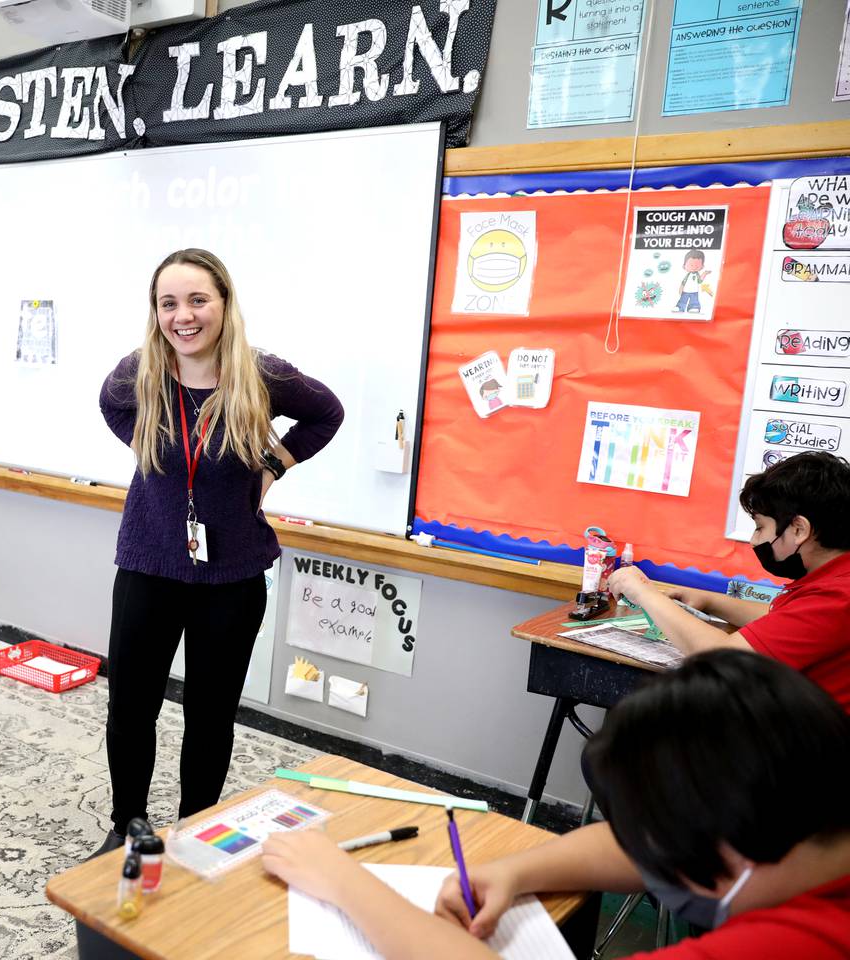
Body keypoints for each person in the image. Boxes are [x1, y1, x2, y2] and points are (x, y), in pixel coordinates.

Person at [262, 650, 850, 959]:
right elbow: (630, 848)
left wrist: (346, 884)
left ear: (725, 838)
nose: (646, 859)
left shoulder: (799, 942)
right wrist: (513, 870)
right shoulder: (805, 818)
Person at [95, 248, 343, 855]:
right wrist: (153, 454)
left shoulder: (262, 374)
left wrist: (274, 465)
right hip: (149, 564)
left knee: (210, 716)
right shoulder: (140, 373)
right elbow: (110, 405)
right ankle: (127, 825)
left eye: (197, 299)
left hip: (231, 578)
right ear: (156, 313)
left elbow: (326, 413)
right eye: (169, 303)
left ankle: (196, 830)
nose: (184, 316)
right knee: (132, 707)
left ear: (224, 303)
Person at [607, 451, 850, 710]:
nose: (755, 541)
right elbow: (783, 619)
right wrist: (711, 601)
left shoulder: (837, 597)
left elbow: (723, 659)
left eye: (759, 527)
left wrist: (643, 592)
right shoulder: (834, 579)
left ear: (799, 529)